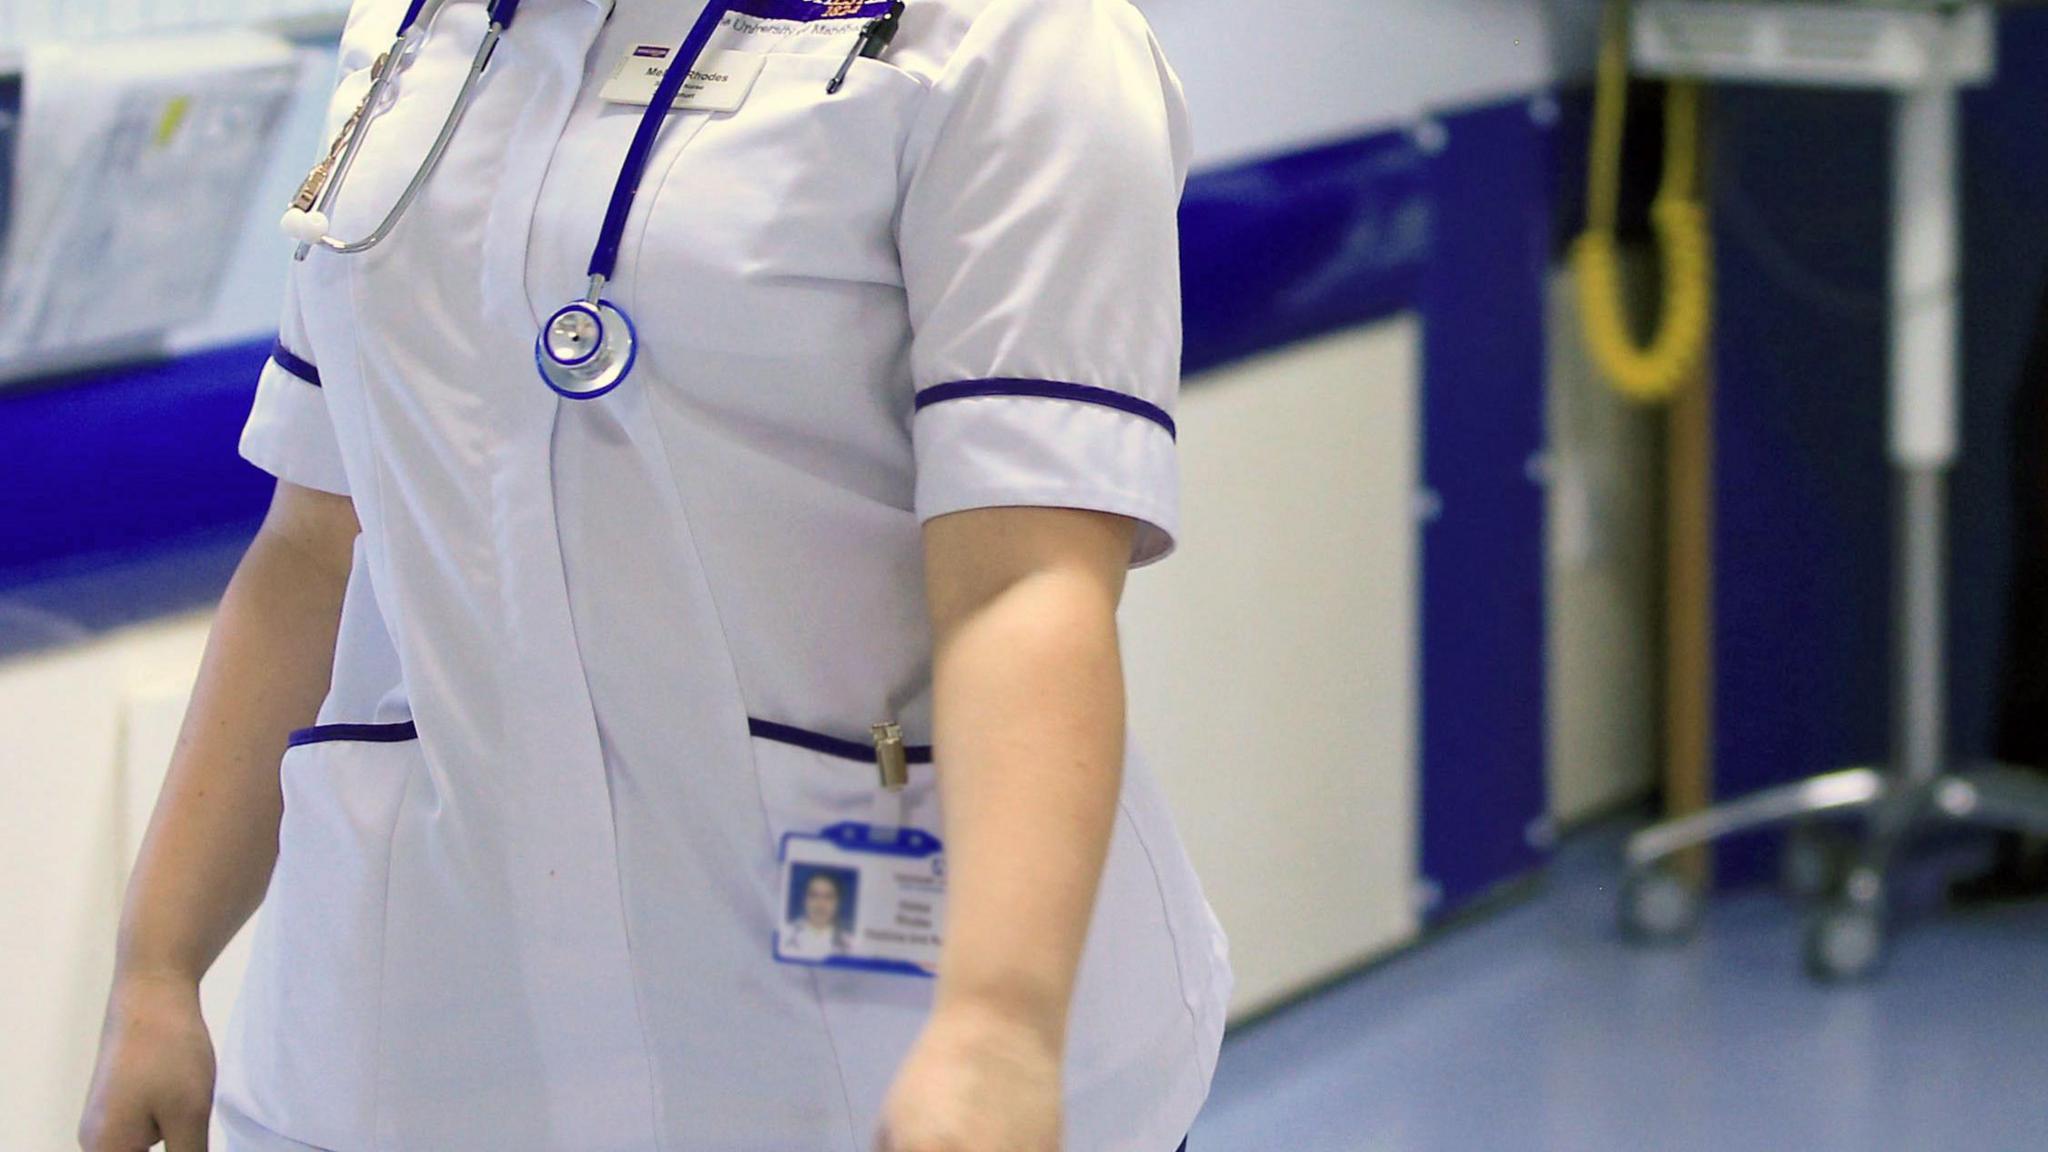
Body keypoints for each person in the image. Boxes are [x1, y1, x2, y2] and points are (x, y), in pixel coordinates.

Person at [79, 0, 1231, 1150]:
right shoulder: (419, 32)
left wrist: (998, 1026)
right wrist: (158, 964)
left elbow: (1023, 584)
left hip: (874, 1039)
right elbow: (316, 542)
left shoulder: (1011, 38)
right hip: (432, 1050)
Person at [780, 870, 855, 960]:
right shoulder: (786, 934)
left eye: (828, 897)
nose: (820, 904)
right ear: (805, 900)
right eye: (814, 896)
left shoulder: (849, 942)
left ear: (838, 902)